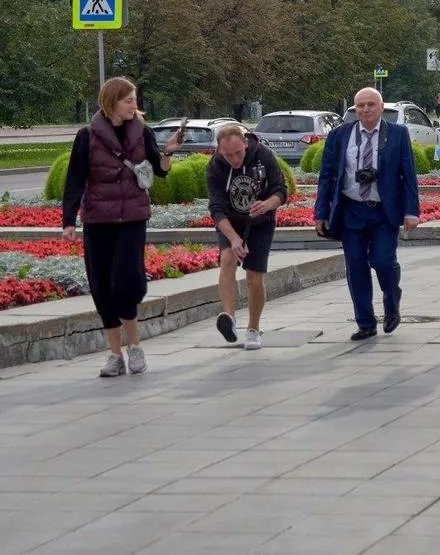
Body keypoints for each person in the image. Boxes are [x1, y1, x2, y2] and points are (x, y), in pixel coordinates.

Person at [61, 77, 184, 377]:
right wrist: (68, 220)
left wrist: (169, 151)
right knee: (101, 285)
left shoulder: (142, 132)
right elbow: (75, 179)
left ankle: (135, 347)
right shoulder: (87, 136)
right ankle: (115, 354)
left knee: (126, 282)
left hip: (132, 218)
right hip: (98, 220)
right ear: (111, 101)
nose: (134, 105)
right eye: (128, 100)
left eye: (134, 99)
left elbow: (160, 171)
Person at [314, 87, 420, 340]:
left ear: (381, 107)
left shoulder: (397, 134)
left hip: (383, 211)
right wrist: (321, 212)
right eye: (360, 105)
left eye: (371, 104)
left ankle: (392, 301)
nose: (365, 109)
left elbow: (408, 175)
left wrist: (411, 211)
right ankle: (365, 323)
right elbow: (326, 176)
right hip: (351, 210)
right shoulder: (340, 135)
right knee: (356, 266)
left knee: (383, 261)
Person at [207, 124, 288, 350]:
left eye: (238, 153)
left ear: (245, 143)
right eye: (228, 155)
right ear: (219, 150)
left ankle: (253, 328)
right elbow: (216, 208)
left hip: (261, 222)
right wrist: (233, 239)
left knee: (254, 276)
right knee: (227, 259)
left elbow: (281, 190)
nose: (234, 159)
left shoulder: (263, 155)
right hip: (231, 222)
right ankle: (229, 318)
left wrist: (268, 204)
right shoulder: (215, 166)